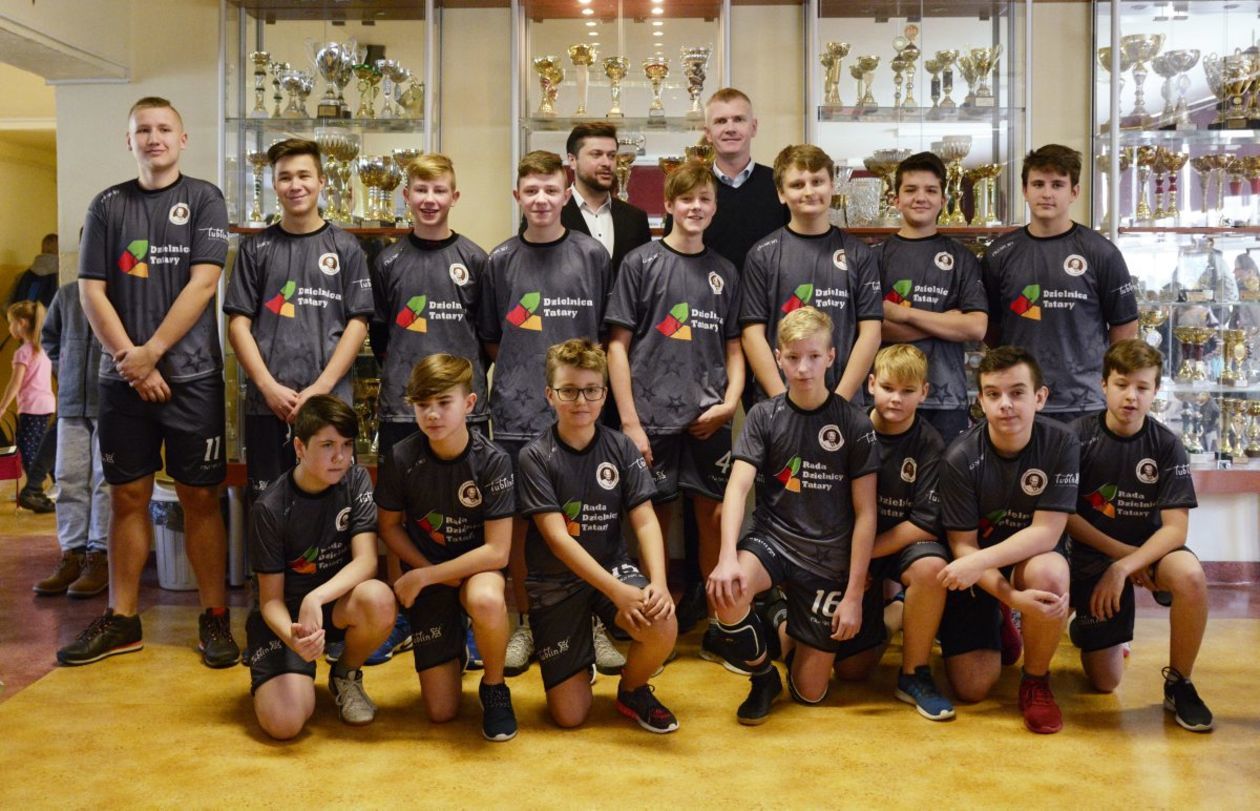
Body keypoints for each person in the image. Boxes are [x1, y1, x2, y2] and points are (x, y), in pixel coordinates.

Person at [58, 97, 240, 668]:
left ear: (182, 139)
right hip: (123, 381)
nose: (153, 137)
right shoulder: (107, 205)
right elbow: (91, 290)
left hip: (193, 378)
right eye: (143, 130)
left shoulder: (204, 198)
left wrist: (152, 354)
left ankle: (214, 616)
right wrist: (128, 359)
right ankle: (122, 619)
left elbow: (204, 284)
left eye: (164, 129)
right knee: (127, 498)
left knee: (200, 498)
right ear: (129, 140)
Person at [707, 306, 880, 725]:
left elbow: (866, 514)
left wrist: (854, 595)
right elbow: (738, 487)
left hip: (827, 558)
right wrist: (727, 557)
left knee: (810, 693)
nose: (803, 368)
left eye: (814, 357)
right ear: (778, 358)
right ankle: (763, 676)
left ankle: (782, 618)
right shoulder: (764, 416)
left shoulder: (854, 424)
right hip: (774, 540)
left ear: (831, 357)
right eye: (793, 357)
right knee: (728, 591)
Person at [479, 150, 616, 677]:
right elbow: (494, 339)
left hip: (580, 415)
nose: (540, 199)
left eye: (550, 190)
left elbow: (603, 336)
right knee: (519, 525)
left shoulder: (592, 255)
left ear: (566, 195)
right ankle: (527, 622)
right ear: (518, 196)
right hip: (517, 413)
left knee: (587, 519)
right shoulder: (499, 260)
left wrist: (576, 394)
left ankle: (592, 620)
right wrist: (526, 376)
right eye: (531, 191)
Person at [606, 161, 743, 668]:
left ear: (715, 206)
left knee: (714, 519)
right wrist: (630, 422)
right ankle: (656, 628)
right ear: (667, 205)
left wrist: (731, 402)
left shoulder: (725, 272)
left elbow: (735, 348)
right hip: (651, 420)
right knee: (652, 522)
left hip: (709, 420)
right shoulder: (640, 263)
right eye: (686, 199)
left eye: (704, 199)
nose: (695, 208)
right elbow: (616, 347)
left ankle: (721, 627)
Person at [517, 338, 679, 732]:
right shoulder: (534, 456)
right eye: (569, 391)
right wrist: (616, 592)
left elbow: (645, 520)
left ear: (605, 394)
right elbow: (558, 540)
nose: (581, 401)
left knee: (662, 622)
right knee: (570, 717)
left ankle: (632, 689)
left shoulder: (621, 448)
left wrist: (658, 582)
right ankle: (580, 650)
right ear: (550, 395)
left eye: (591, 390)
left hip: (612, 568)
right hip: (556, 582)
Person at [371, 153, 491, 666]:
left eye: (439, 190)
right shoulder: (387, 261)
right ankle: (403, 614)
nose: (429, 199)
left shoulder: (475, 259)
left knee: (469, 514)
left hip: (466, 413)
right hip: (403, 410)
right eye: (420, 190)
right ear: (406, 196)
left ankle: (470, 616)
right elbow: (380, 335)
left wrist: (458, 397)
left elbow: (486, 337)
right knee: (400, 516)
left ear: (454, 197)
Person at [1067, 339, 1212, 732]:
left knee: (1190, 576)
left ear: (1156, 391)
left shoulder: (1167, 445)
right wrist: (1121, 559)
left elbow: (1176, 529)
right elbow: (1065, 517)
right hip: (1092, 553)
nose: (1131, 396)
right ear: (1103, 385)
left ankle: (1180, 684)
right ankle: (1084, 623)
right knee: (1105, 682)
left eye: (1142, 387)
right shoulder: (1075, 438)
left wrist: (1128, 565)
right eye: (1121, 384)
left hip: (1145, 555)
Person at [375, 354, 518, 742]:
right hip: (428, 569)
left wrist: (426, 576)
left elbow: (498, 552)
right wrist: (425, 570)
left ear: (469, 404)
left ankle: (495, 687)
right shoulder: (401, 457)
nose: (433, 414)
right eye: (423, 404)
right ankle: (455, 645)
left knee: (486, 600)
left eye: (444, 402)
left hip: (475, 572)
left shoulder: (493, 461)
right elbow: (388, 527)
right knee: (441, 712)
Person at [936, 346, 1078, 734]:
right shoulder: (959, 457)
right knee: (972, 689)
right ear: (980, 401)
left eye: (1017, 393)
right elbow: (964, 546)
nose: (1005, 405)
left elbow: (1047, 532)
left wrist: (980, 563)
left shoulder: (1062, 443)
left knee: (1051, 574)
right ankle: (1001, 619)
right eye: (993, 394)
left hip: (1026, 559)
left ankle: (1035, 681)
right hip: (981, 570)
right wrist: (1012, 599)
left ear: (1039, 397)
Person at [224, 138, 372, 503]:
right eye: (285, 177)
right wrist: (267, 386)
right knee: (269, 507)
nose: (295, 185)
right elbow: (238, 325)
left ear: (321, 181)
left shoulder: (346, 247)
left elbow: (358, 324)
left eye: (304, 175)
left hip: (330, 402)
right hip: (269, 406)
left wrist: (322, 386)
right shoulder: (255, 249)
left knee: (334, 508)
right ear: (274, 185)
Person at [245, 395, 396, 739]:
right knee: (284, 725)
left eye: (346, 445)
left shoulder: (355, 479)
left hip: (333, 605)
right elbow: (270, 602)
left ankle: (345, 674)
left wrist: (316, 597)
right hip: (286, 620)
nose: (340, 457)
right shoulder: (270, 507)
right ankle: (288, 672)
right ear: (300, 447)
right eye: (327, 445)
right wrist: (294, 638)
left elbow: (367, 561)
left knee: (378, 598)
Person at [982, 144, 1138, 423]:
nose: (1047, 193)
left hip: (1085, 402)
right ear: (1024, 190)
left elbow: (1124, 328)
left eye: (1057, 185)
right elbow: (989, 327)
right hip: (1018, 401)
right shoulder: (999, 254)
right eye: (1038, 184)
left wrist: (1109, 384)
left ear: (1074, 192)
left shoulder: (1102, 252)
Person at [740, 144, 882, 405]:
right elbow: (752, 335)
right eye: (797, 184)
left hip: (844, 402)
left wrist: (840, 401)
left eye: (817, 181)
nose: (809, 191)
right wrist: (782, 401)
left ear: (832, 187)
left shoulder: (859, 255)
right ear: (781, 193)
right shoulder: (762, 255)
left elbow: (871, 332)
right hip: (779, 402)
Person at [865, 344, 954, 720]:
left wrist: (864, 556)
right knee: (852, 672)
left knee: (932, 569)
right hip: (855, 544)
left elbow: (923, 523)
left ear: (924, 392)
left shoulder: (931, 443)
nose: (896, 399)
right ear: (871, 384)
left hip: (903, 544)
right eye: (888, 388)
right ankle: (896, 614)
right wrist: (851, 560)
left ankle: (914, 673)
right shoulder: (851, 430)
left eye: (907, 391)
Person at [875, 152, 988, 441]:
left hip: (946, 398)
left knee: (944, 472)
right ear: (896, 199)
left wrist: (903, 313)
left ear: (943, 199)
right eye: (911, 190)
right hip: (889, 397)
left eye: (930, 190)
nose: (920, 198)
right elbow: (873, 327)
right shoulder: (875, 257)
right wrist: (945, 322)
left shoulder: (962, 258)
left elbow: (975, 328)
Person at [33, 282, 111, 596]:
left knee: (106, 480)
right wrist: (65, 368)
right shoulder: (67, 294)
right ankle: (72, 554)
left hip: (110, 401)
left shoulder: (123, 290)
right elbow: (49, 337)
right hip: (70, 402)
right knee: (68, 478)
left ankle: (100, 555)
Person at [694, 88, 789, 273]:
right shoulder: (690, 189)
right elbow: (673, 259)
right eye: (721, 121)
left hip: (768, 291)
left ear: (753, 127)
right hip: (703, 291)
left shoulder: (780, 185)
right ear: (708, 133)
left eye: (738, 119)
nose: (730, 129)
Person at [561, 121, 651, 278]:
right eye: (596, 154)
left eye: (611, 156)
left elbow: (645, 279)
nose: (607, 163)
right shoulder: (553, 214)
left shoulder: (635, 218)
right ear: (572, 160)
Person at [2, 301, 55, 511]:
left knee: (28, 449)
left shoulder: (23, 352)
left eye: (11, 323)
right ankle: (45, 486)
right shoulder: (42, 350)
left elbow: (15, 383)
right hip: (46, 405)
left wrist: (2, 407)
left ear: (22, 323)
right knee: (42, 447)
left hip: (32, 407)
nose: (9, 327)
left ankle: (34, 489)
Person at [8, 233, 59, 309]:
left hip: (21, 316)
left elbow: (6, 306)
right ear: (59, 250)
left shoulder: (22, 276)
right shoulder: (62, 276)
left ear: (42, 250)